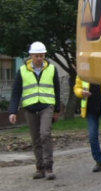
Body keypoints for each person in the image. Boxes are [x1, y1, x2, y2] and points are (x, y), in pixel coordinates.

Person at [6, 42, 62, 179]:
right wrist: (12, 111)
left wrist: (57, 110)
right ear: (31, 55)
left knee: (45, 134)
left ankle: (49, 167)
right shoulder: (22, 70)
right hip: (30, 108)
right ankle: (40, 168)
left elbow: (57, 90)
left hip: (46, 106)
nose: (39, 58)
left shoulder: (52, 69)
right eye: (36, 55)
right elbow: (16, 92)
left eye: (41, 55)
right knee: (35, 139)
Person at [74, 76, 101, 172]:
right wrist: (81, 92)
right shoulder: (84, 72)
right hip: (91, 110)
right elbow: (77, 87)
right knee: (92, 136)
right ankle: (99, 161)